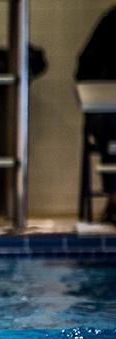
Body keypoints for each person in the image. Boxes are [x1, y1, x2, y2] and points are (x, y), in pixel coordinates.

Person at [77, 5, 116, 224]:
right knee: (112, 126)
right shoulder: (111, 21)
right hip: (108, 109)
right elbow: (85, 70)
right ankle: (114, 199)